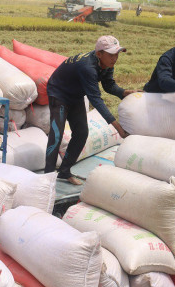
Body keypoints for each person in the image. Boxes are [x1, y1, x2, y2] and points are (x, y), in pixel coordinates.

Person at [45, 36, 136, 185]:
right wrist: (118, 127)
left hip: (75, 95)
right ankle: (47, 176)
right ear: (99, 54)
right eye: (111, 55)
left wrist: (124, 92)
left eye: (117, 54)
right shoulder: (88, 67)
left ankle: (64, 171)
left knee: (81, 133)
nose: (115, 59)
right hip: (59, 93)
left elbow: (109, 85)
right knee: (57, 134)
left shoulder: (106, 63)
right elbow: (96, 99)